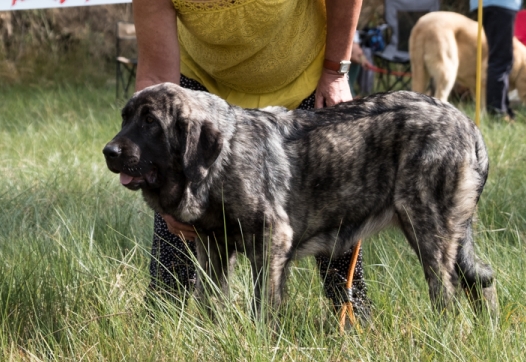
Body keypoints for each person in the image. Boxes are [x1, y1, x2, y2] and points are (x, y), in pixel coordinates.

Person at [132, 0, 371, 320]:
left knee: (330, 204)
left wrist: (335, 70)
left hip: (306, 75)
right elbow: (156, 79)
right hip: (203, 85)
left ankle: (351, 312)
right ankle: (163, 324)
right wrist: (165, 184)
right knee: (180, 218)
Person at [470, 0, 523, 120]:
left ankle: (504, 110)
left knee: (502, 59)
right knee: (500, 60)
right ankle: (497, 113)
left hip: (493, 5)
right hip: (501, 4)